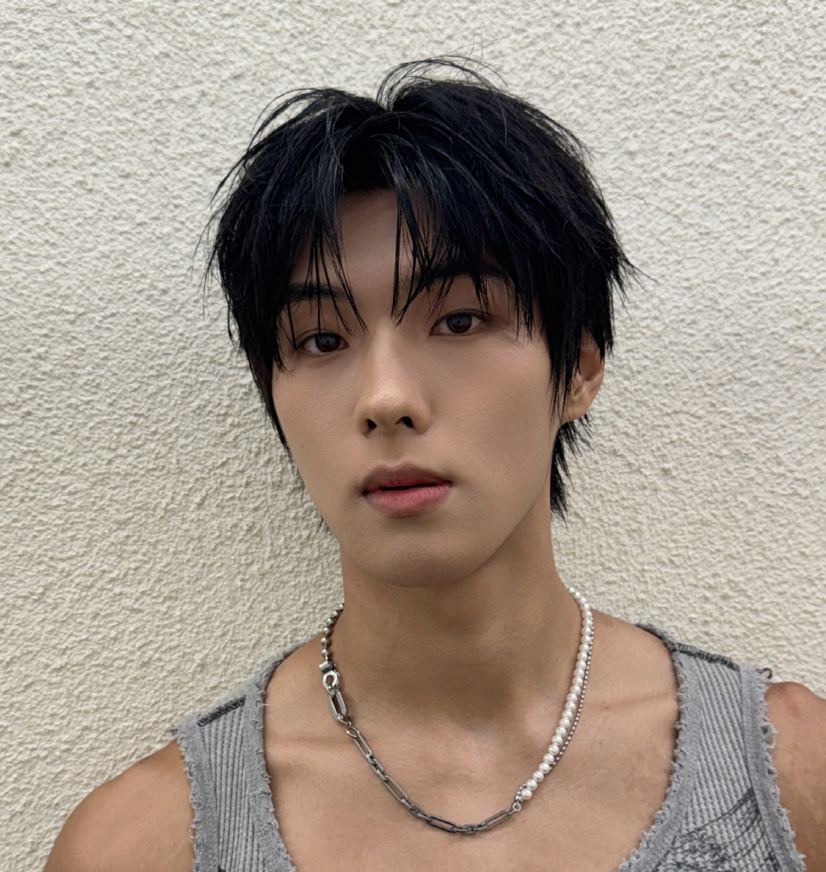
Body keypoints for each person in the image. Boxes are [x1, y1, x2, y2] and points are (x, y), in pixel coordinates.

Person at [45, 59, 825, 872]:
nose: (386, 398)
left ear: (579, 367)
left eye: (459, 320)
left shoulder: (793, 777)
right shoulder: (140, 844)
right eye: (322, 339)